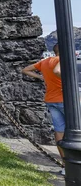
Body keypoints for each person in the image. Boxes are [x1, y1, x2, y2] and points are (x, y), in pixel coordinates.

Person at [22, 44, 64, 174]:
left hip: (51, 100)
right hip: (64, 99)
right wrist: (67, 81)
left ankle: (65, 164)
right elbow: (57, 71)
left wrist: (41, 77)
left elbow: (26, 69)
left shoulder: (45, 61)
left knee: (59, 131)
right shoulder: (61, 60)